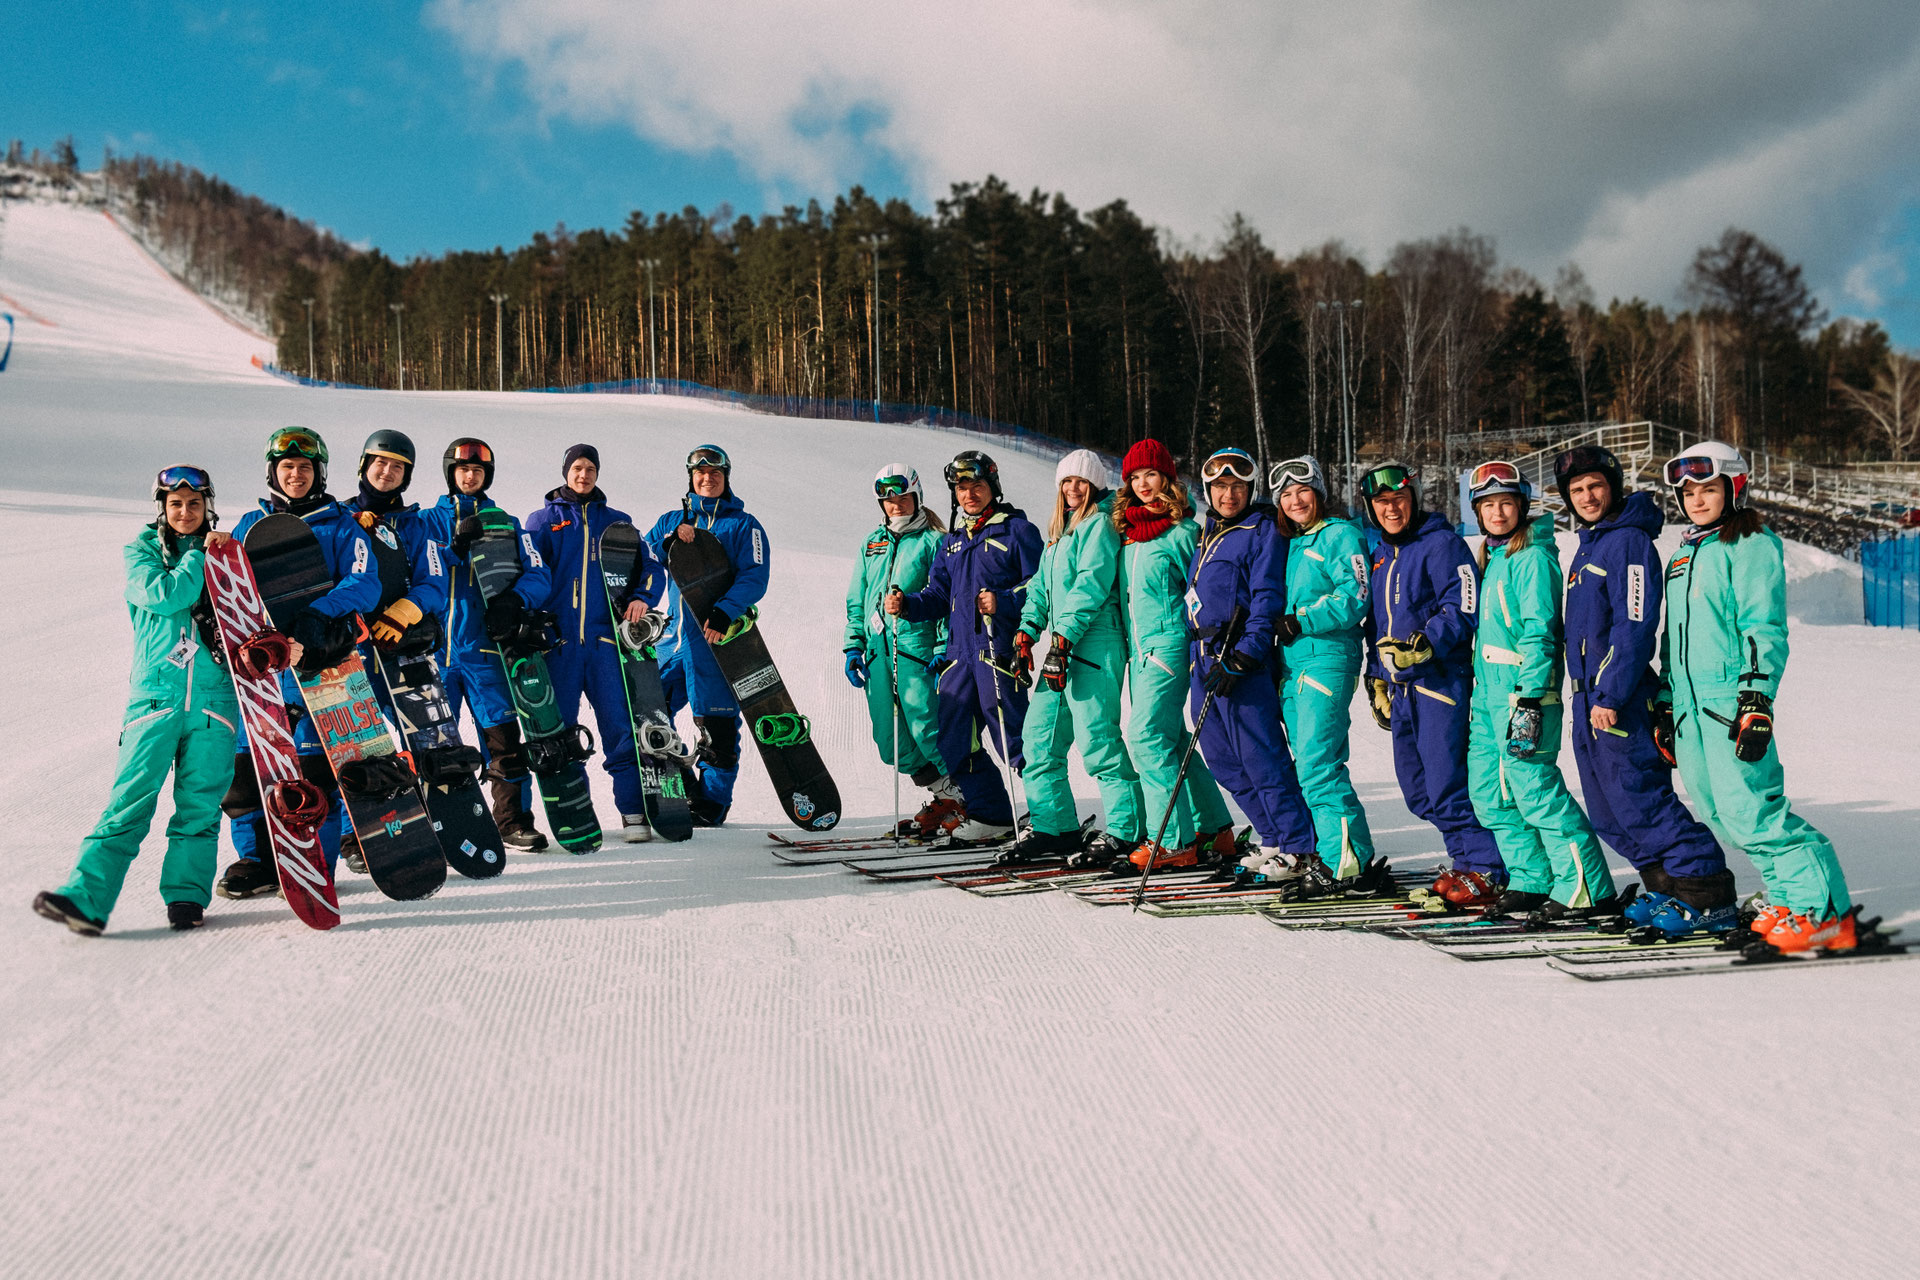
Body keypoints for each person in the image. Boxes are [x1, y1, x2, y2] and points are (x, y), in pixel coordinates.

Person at [1660, 442, 1862, 953]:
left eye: (1708, 489)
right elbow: (1672, 638)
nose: (1697, 499)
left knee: (1755, 808)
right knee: (1718, 810)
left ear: (1735, 487)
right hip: (1689, 707)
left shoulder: (1749, 543)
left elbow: (1761, 627)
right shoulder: (1684, 553)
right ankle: (1791, 899)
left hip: (1729, 699)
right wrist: (1666, 700)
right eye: (1688, 492)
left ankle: (1822, 911)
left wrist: (1755, 698)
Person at [33, 467, 240, 934]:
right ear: (162, 509)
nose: (185, 513)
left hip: (214, 701)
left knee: (200, 808)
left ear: (208, 505)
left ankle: (187, 899)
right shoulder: (141, 551)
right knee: (128, 803)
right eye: (175, 504)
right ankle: (85, 898)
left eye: (194, 504)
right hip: (155, 700)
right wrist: (200, 559)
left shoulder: (229, 555)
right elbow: (166, 596)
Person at [1557, 445, 1730, 936]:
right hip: (1586, 698)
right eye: (1576, 491)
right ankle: (1665, 891)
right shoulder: (1590, 544)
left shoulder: (1628, 541)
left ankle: (1705, 891)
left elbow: (1634, 624)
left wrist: (1610, 694)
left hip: (1620, 698)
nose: (1587, 497)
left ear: (1612, 486)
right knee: (1608, 813)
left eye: (1595, 486)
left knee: (1640, 799)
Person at [218, 427, 383, 899]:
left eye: (305, 468)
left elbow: (364, 581)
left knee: (313, 775)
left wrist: (319, 612)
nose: (296, 474)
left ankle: (315, 859)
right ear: (274, 471)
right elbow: (228, 587)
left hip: (322, 666)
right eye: (287, 467)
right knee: (249, 773)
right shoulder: (251, 523)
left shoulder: (341, 523)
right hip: (261, 673)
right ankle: (257, 860)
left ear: (319, 473)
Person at [1462, 461, 1616, 920]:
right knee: (1490, 793)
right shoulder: (1494, 557)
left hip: (1525, 695)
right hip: (1488, 698)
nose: (1498, 512)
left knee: (1535, 791)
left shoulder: (1532, 558)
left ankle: (1586, 884)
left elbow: (1540, 631)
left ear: (1522, 506)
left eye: (1506, 503)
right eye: (1488, 505)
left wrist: (1528, 697)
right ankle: (1532, 877)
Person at [1361, 461, 1505, 906]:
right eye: (1382, 502)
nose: (1391, 509)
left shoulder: (1442, 544)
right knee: (1418, 790)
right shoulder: (1382, 554)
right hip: (1401, 687)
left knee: (1447, 782)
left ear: (1414, 499)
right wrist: (1376, 677)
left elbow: (1464, 603)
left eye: (1399, 499)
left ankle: (1486, 866)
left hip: (1440, 680)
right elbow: (1377, 623)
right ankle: (1465, 861)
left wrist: (1426, 644)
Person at [885, 450, 1043, 846]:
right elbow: (938, 594)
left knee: (1014, 736)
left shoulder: (1017, 532)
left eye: (977, 486)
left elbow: (1041, 588)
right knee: (954, 738)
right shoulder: (953, 542)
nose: (969, 494)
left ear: (993, 488)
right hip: (959, 654)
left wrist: (1004, 601)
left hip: (996, 649)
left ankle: (1050, 816)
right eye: (961, 487)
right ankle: (991, 815)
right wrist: (908, 605)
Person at [1185, 447, 1317, 882]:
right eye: (1220, 487)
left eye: (1237, 486)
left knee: (1262, 757)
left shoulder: (1263, 530)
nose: (1228, 494)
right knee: (1223, 759)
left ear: (1250, 489)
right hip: (1202, 659)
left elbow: (1266, 597)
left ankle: (1298, 844)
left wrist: (1247, 652)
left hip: (1239, 657)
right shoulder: (1208, 531)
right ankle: (1273, 836)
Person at [1007, 450, 1143, 865]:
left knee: (1097, 739)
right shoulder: (1060, 532)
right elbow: (1041, 591)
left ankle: (1126, 827)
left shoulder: (1098, 524)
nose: (1072, 488)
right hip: (1061, 647)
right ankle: (1056, 826)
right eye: (1066, 481)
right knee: (1039, 739)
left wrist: (1062, 640)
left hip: (1094, 642)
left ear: (1096, 485)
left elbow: (1091, 585)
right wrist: (1026, 633)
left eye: (1081, 482)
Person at [1110, 439, 1237, 872]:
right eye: (1135, 477)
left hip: (1168, 645)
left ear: (1167, 477)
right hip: (1138, 650)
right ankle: (1216, 829)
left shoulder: (1183, 531)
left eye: (1151, 474)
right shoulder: (1129, 534)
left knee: (1145, 738)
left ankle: (1173, 839)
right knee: (1171, 738)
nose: (1144, 484)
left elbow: (1202, 591)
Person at [422, 438, 555, 850]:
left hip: (486, 651)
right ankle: (436, 827)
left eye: (478, 472)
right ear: (450, 473)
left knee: (503, 740)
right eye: (462, 470)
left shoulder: (508, 522)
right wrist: (453, 550)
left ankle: (512, 821)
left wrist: (515, 601)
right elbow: (416, 566)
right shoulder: (425, 522)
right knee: (432, 745)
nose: (470, 477)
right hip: (435, 652)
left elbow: (538, 572)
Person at [527, 444, 662, 840]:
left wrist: (642, 597)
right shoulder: (542, 521)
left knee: (620, 729)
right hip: (560, 645)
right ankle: (575, 811)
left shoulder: (617, 523)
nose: (583, 475)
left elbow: (650, 566)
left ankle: (634, 813)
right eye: (577, 468)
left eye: (589, 469)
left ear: (597, 474)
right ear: (565, 472)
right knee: (561, 733)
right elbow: (528, 570)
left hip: (605, 645)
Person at [338, 430, 449, 869]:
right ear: (364, 466)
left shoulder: (418, 525)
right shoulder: (337, 516)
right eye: (380, 463)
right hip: (351, 644)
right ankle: (357, 833)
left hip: (400, 643)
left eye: (398, 466)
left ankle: (434, 817)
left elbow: (435, 580)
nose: (387, 472)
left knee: (422, 734)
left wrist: (406, 609)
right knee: (354, 738)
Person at [1269, 455, 1377, 887]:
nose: (1295, 500)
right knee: (1309, 765)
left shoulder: (1340, 534)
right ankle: (1341, 851)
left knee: (1319, 764)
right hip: (1293, 662)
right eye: (1287, 494)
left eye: (1303, 491)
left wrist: (1302, 619)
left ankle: (1347, 863)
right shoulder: (1291, 541)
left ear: (1320, 493)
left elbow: (1357, 593)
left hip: (1327, 656)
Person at [643, 444, 765, 827]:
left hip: (716, 640)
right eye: (700, 472)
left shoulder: (744, 525)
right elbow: (641, 559)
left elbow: (754, 577)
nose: (707, 478)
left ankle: (713, 803)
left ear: (726, 477)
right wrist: (667, 546)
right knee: (647, 715)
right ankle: (684, 786)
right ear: (691, 476)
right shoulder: (671, 519)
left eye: (715, 472)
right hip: (674, 640)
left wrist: (724, 610)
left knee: (716, 724)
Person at [843, 463, 954, 834]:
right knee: (889, 739)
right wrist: (853, 645)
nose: (895, 505)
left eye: (902, 496)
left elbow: (947, 598)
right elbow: (857, 598)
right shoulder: (871, 542)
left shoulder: (934, 540)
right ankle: (945, 796)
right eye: (887, 499)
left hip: (917, 645)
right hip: (878, 649)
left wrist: (943, 644)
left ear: (916, 496)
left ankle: (972, 799)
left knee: (927, 727)